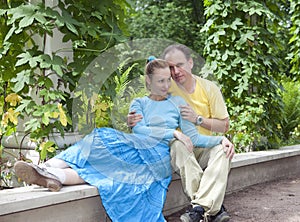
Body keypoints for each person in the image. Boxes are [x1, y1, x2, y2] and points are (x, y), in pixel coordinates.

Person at [14, 58, 234, 222]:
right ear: (149, 82)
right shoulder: (138, 103)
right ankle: (47, 169)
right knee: (100, 137)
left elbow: (193, 137)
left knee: (109, 172)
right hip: (136, 145)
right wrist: (173, 133)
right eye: (160, 81)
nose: (166, 85)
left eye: (168, 80)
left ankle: (55, 174)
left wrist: (220, 140)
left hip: (156, 155)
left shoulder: (178, 103)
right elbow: (140, 131)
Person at [128, 45, 234, 222]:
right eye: (171, 68)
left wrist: (212, 132)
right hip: (175, 150)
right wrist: (132, 120)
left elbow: (216, 129)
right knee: (179, 144)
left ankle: (200, 208)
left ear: (191, 63)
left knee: (224, 150)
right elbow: (143, 118)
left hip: (198, 146)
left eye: (180, 65)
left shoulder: (203, 91)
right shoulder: (159, 92)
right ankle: (212, 209)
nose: (175, 73)